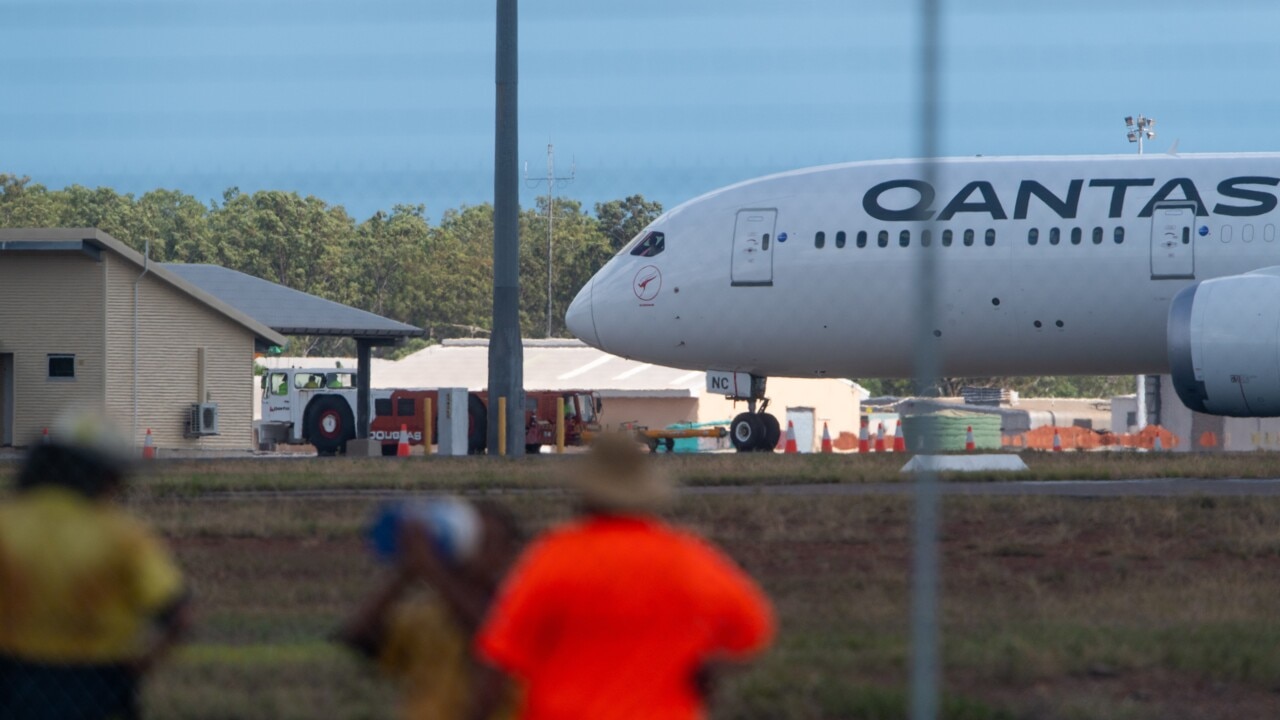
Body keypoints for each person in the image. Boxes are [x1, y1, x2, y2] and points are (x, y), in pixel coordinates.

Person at [475, 433, 775, 720]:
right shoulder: (688, 558)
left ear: (585, 494)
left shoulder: (554, 557)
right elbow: (752, 629)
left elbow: (501, 659)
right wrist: (702, 668)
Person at [0, 412, 191, 720]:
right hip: (98, 686)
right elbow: (178, 615)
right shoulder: (123, 537)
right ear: (100, 475)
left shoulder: (5, 527)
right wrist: (134, 670)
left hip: (12, 682)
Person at [338, 499, 522, 720]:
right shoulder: (432, 616)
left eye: (485, 542)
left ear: (510, 552)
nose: (473, 553)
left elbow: (491, 634)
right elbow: (359, 638)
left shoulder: (527, 610)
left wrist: (431, 570)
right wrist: (406, 571)